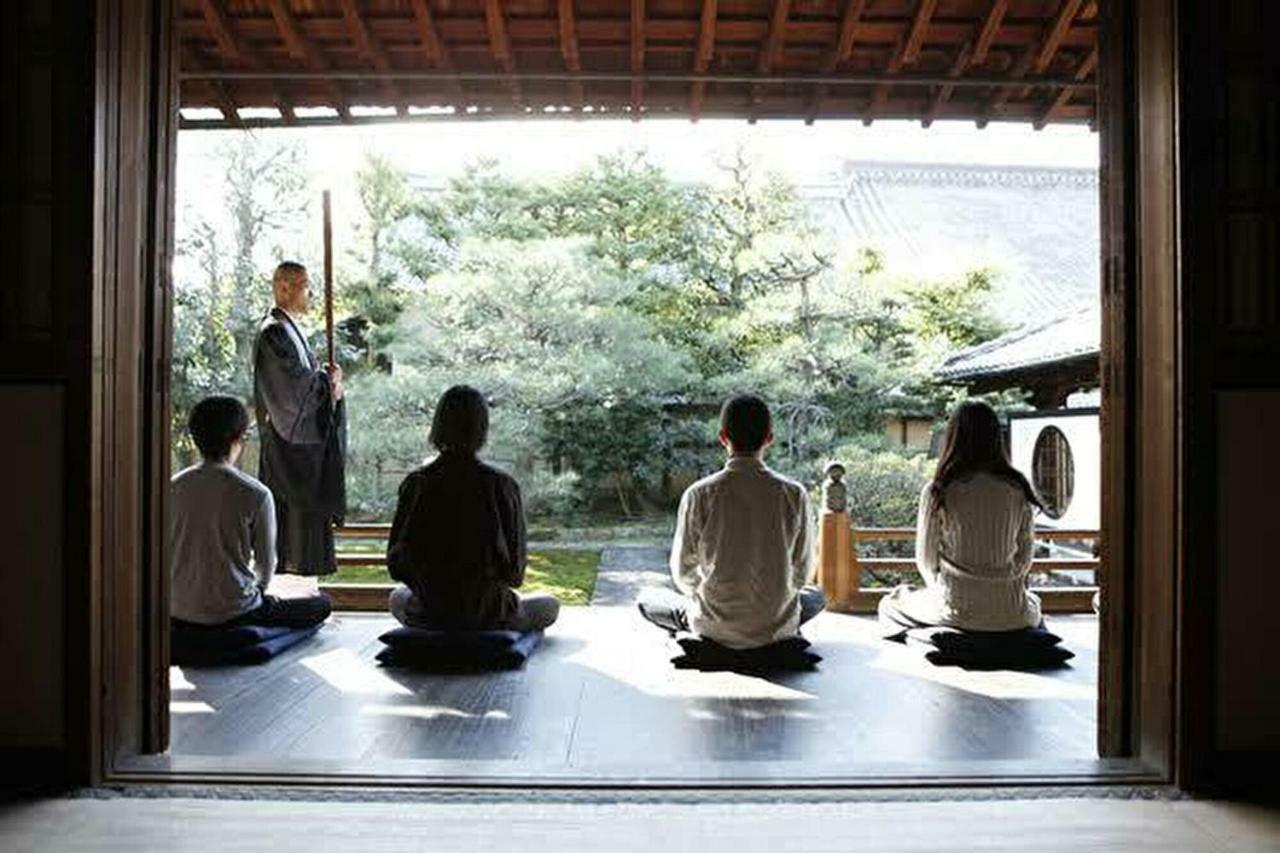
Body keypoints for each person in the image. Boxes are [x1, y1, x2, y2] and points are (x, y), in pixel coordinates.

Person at [638, 394, 825, 648]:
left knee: (647, 598)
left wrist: (708, 599)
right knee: (816, 596)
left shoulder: (699, 494)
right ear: (769, 438)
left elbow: (683, 572)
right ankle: (774, 635)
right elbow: (802, 572)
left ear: (723, 437)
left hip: (712, 626)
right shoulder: (793, 493)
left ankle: (709, 636)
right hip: (775, 626)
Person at [386, 385, 560, 633]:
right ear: (482, 428)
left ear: (438, 426)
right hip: (490, 614)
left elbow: (396, 565)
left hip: (429, 612)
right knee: (549, 604)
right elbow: (515, 575)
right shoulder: (502, 485)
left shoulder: (416, 484)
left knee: (396, 597)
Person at [879, 400, 1043, 634]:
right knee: (1033, 601)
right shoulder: (1017, 489)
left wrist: (940, 593)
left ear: (953, 438)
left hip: (955, 609)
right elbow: (1024, 560)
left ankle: (943, 636)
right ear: (996, 439)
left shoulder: (939, 490)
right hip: (1011, 612)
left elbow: (926, 561)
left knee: (890, 603)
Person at [170, 396, 331, 629]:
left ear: (195, 438)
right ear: (239, 439)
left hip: (177, 612)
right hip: (236, 612)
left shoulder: (171, 488)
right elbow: (265, 567)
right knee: (321, 604)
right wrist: (255, 594)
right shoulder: (255, 493)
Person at [253, 261, 346, 578]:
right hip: (290, 449)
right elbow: (292, 390)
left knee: (304, 523)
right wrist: (325, 382)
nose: (310, 293)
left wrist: (327, 383)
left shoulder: (288, 329)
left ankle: (304, 591)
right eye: (305, 285)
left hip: (302, 446)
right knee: (294, 526)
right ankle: (292, 593)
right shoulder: (273, 332)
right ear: (283, 287)